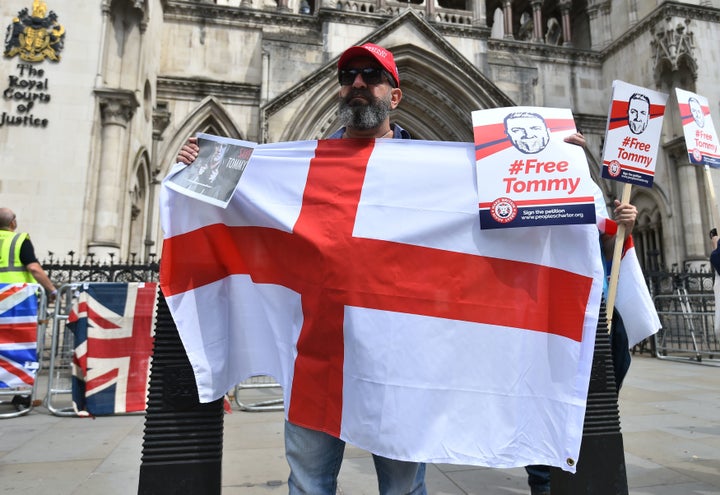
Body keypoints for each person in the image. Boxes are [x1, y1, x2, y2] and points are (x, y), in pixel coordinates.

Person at [175, 43, 624, 495]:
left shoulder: (439, 170)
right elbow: (240, 203)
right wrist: (198, 167)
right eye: (348, 74)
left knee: (403, 490)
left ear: (395, 96)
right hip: (317, 353)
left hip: (401, 361)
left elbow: (519, 223)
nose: (357, 83)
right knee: (309, 485)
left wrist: (559, 164)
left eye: (371, 75)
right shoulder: (299, 165)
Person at [0, 207, 57, 410]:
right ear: (13, 222)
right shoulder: (18, 240)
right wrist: (52, 290)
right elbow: (33, 268)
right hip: (15, 304)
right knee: (19, 348)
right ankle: (21, 393)